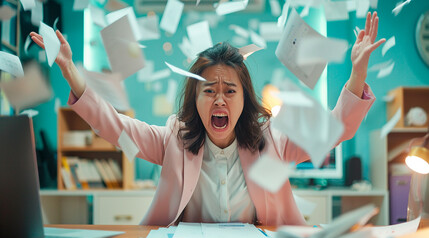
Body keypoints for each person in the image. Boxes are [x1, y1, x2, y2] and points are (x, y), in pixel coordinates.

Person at [30, 11, 385, 226]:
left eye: (230, 91)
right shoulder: (173, 137)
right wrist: (71, 72)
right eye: (208, 90)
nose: (219, 100)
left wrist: (357, 72)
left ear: (244, 98)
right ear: (194, 98)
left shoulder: (272, 139)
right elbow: (115, 126)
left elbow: (337, 128)